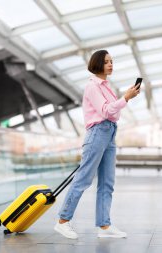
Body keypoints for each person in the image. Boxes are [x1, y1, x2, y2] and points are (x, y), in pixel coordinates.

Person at [54, 50, 140, 239]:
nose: (111, 64)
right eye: (107, 62)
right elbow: (106, 110)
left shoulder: (107, 87)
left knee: (107, 182)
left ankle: (104, 226)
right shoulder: (92, 86)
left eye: (112, 61)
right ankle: (63, 221)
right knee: (83, 178)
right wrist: (125, 98)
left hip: (109, 132)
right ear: (97, 64)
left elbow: (113, 114)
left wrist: (121, 100)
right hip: (97, 133)